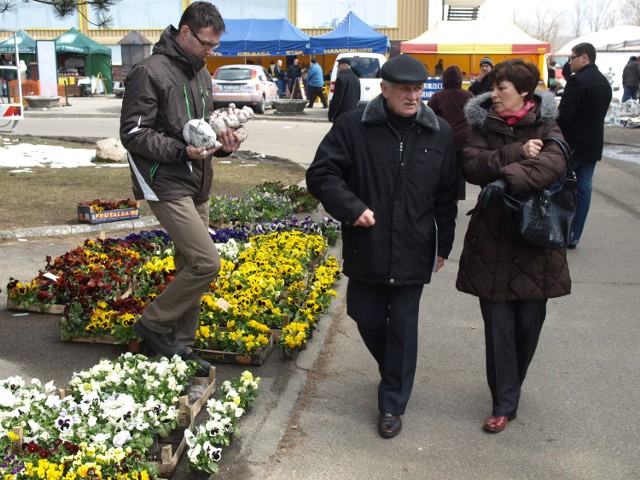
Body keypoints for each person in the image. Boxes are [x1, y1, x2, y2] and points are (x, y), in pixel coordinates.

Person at [307, 54, 458, 439]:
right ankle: (395, 368)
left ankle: (392, 403)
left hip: (415, 245)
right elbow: (322, 172)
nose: (413, 96)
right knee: (364, 314)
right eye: (404, 89)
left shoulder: (438, 132)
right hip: (367, 244)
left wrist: (444, 244)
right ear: (385, 89)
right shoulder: (352, 126)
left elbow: (446, 195)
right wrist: (351, 207)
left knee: (404, 328)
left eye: (418, 89)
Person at [120, 1, 242, 375]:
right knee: (207, 263)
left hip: (197, 181)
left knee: (190, 263)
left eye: (215, 46)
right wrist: (181, 151)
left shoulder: (202, 74)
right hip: (165, 180)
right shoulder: (149, 71)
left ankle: (180, 347)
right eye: (207, 43)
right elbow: (133, 133)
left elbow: (201, 131)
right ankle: (152, 324)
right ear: (185, 32)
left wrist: (223, 144)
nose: (211, 52)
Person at [457, 59, 571, 434]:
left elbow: (554, 163)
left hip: (534, 242)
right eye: (492, 87)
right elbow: (472, 166)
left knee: (528, 326)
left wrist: (505, 181)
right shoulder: (483, 124)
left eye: (502, 88)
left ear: (524, 92)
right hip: (492, 240)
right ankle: (503, 402)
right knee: (498, 329)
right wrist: (517, 153)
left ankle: (513, 383)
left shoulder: (547, 124)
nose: (494, 94)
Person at [557, 42, 612, 248]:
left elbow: (565, 114)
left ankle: (557, 228)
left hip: (572, 145)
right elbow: (601, 114)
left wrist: (556, 136)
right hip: (593, 145)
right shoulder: (603, 82)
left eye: (572, 58)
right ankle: (574, 234)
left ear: (584, 57)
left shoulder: (577, 81)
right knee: (583, 190)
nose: (569, 62)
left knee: (559, 187)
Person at [427, 65, 474, 200]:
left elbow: (429, 116)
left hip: (444, 140)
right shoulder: (468, 95)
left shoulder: (438, 96)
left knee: (444, 171)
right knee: (459, 172)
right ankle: (456, 198)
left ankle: (445, 198)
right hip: (465, 141)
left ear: (444, 79)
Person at [328, 57, 360, 122]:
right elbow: (358, 96)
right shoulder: (356, 78)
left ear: (345, 65)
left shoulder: (341, 78)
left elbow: (337, 99)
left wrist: (331, 114)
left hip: (342, 114)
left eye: (339, 64)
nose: (337, 66)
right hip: (352, 113)